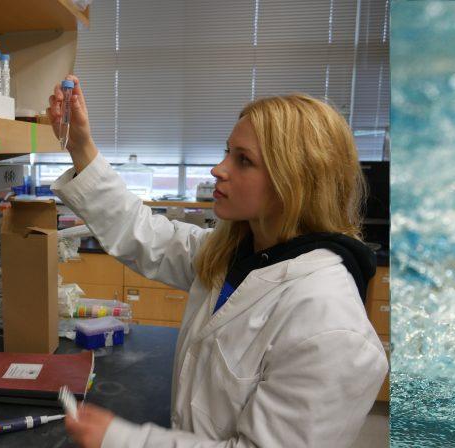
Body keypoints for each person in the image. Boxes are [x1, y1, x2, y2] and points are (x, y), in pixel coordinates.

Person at [45, 76, 388, 447]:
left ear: (295, 180)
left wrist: (121, 440)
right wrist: (81, 146)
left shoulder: (331, 326)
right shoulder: (237, 255)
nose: (218, 169)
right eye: (228, 152)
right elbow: (139, 230)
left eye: (243, 160)